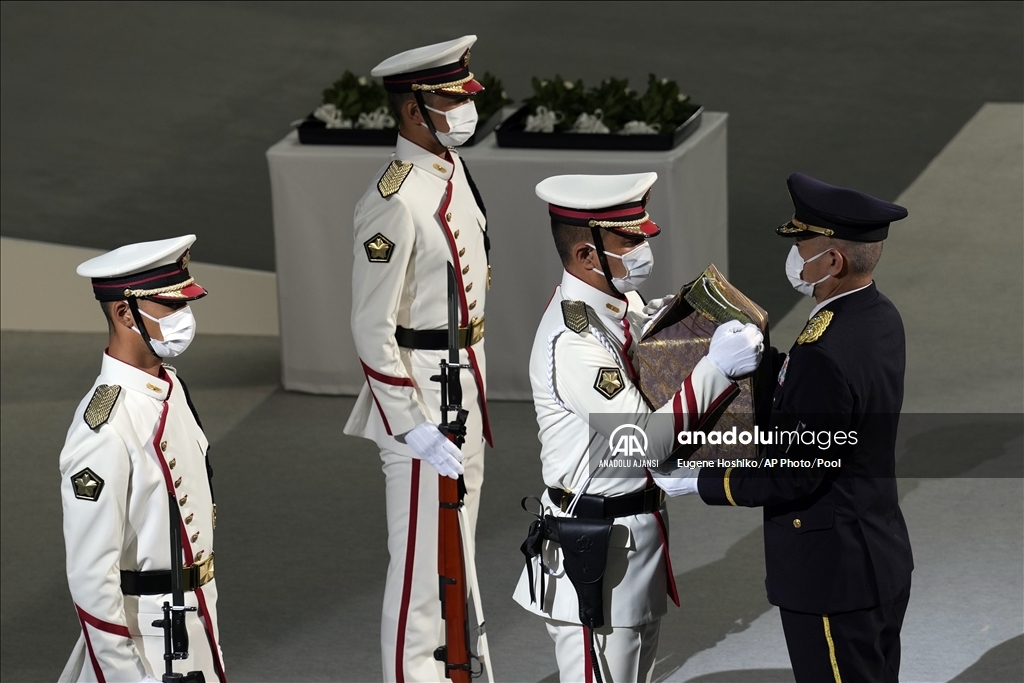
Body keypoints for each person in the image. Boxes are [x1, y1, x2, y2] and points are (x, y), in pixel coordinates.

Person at [512, 173, 764, 682]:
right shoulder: (575, 340)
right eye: (628, 240)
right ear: (586, 257)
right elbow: (642, 440)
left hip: (632, 537)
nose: (643, 248)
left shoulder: (616, 306)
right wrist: (715, 368)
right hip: (596, 552)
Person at [683, 173, 914, 683]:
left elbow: (795, 474)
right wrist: (763, 363)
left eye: (801, 245)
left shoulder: (823, 352)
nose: (794, 255)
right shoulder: (877, 317)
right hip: (875, 555)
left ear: (832, 261)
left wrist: (702, 482)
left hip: (831, 572)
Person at [342, 35, 492, 682]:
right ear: (412, 111)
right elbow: (370, 325)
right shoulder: (394, 199)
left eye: (464, 95)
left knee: (455, 554)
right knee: (418, 577)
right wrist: (411, 422)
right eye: (450, 100)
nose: (465, 110)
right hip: (423, 398)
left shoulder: (449, 171)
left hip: (464, 385)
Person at [59, 235, 226, 682]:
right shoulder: (105, 425)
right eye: (170, 307)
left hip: (196, 617)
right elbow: (92, 578)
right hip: (147, 640)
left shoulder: (171, 386)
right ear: (123, 313)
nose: (184, 318)